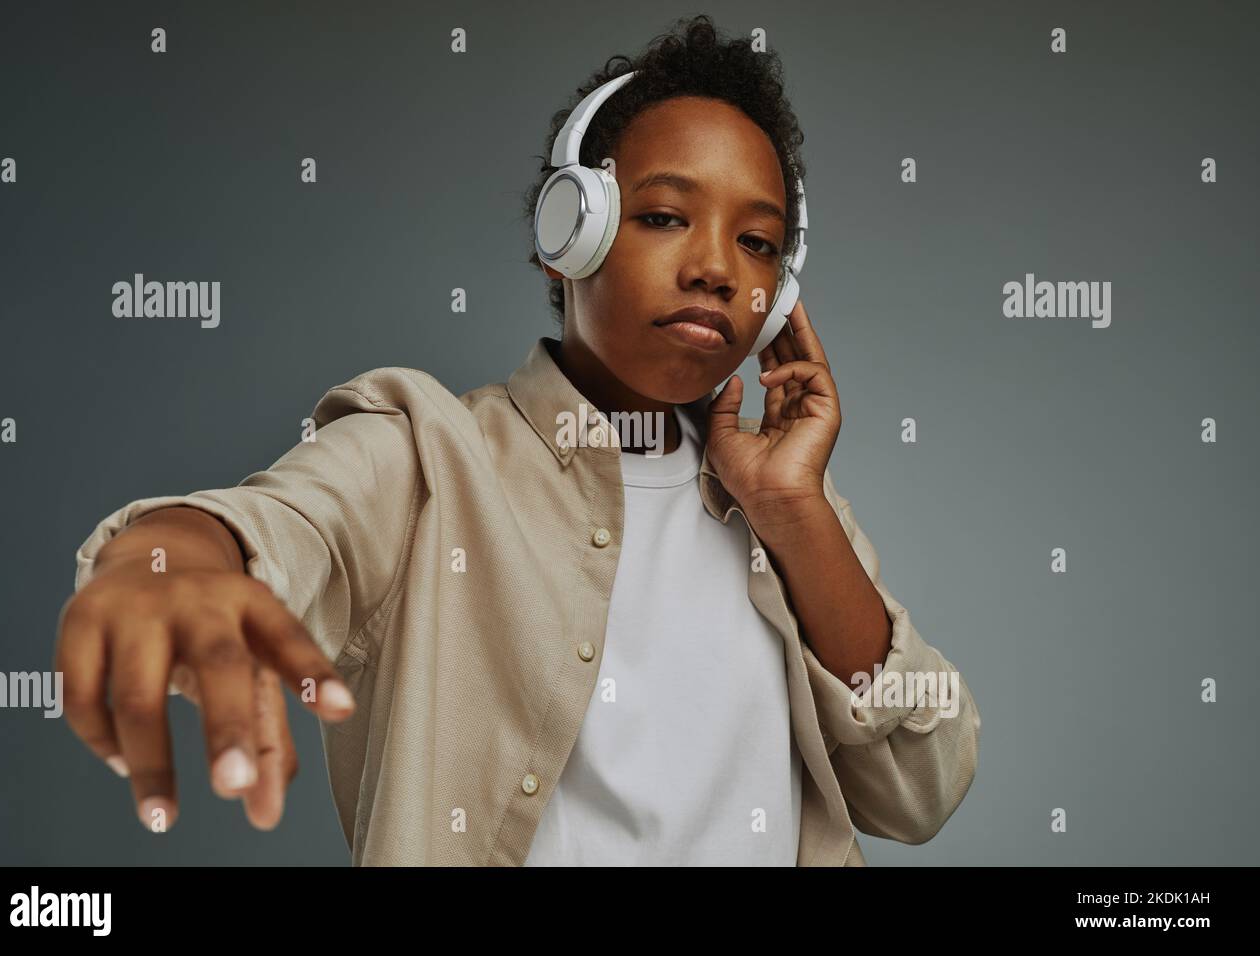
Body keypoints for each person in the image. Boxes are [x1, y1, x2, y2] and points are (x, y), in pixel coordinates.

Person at [56, 14, 979, 866]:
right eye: (664, 217)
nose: (714, 268)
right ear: (567, 231)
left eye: (759, 244)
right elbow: (290, 522)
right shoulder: (427, 455)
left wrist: (794, 512)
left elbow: (924, 791)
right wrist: (168, 556)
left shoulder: (793, 512)